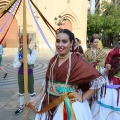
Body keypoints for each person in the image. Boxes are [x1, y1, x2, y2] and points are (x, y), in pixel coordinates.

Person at [26, 29, 106, 120]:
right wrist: (36, 99)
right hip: (48, 102)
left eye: (64, 41)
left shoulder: (77, 61)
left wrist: (83, 97)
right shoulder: (53, 60)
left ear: (71, 42)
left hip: (69, 106)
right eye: (58, 41)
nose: (60, 45)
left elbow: (99, 80)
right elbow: (47, 83)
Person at [91, 40, 120, 120]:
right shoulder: (111, 56)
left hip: (114, 94)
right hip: (106, 93)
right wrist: (107, 68)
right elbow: (104, 70)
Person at [13, 35, 36, 115]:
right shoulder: (18, 53)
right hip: (21, 74)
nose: (22, 44)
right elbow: (14, 65)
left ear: (28, 43)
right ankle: (21, 106)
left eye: (24, 42)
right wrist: (20, 61)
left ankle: (33, 105)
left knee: (31, 91)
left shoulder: (32, 52)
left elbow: (31, 62)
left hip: (29, 74)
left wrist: (27, 54)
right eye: (21, 42)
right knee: (21, 92)